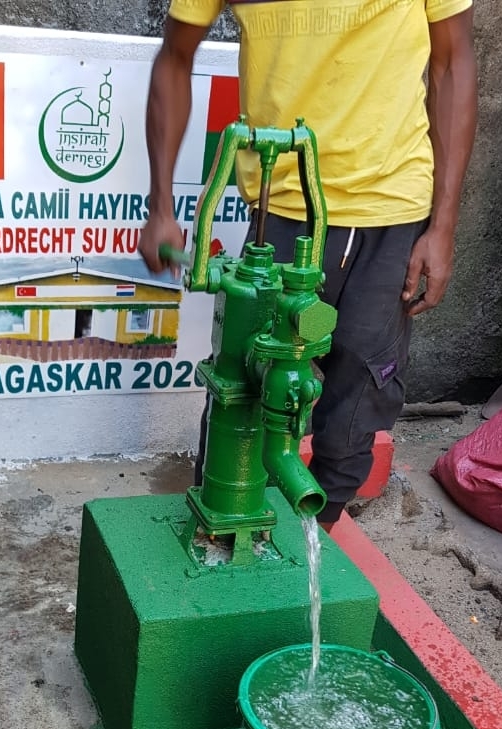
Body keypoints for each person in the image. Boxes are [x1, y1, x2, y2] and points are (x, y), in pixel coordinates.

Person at [138, 0, 477, 529]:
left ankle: (319, 539)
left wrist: (444, 226)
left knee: (356, 405)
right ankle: (224, 533)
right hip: (281, 210)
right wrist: (160, 205)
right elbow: (175, 56)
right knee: (246, 395)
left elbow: (452, 60)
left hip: (392, 210)